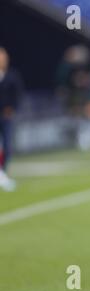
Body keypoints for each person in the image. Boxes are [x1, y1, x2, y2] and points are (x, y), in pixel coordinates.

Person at [0, 47, 22, 192]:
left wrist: (11, 109)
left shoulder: (12, 75)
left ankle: (3, 172)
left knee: (7, 146)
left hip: (6, 117)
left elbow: (18, 95)